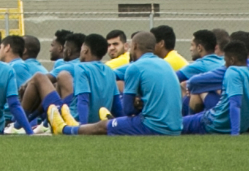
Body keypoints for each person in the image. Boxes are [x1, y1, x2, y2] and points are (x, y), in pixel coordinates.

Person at [49, 31, 181, 136]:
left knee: (102, 126)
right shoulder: (166, 65)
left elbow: (128, 110)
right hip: (176, 127)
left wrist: (136, 105)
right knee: (112, 122)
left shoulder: (134, 68)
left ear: (134, 46)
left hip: (154, 127)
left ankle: (65, 129)